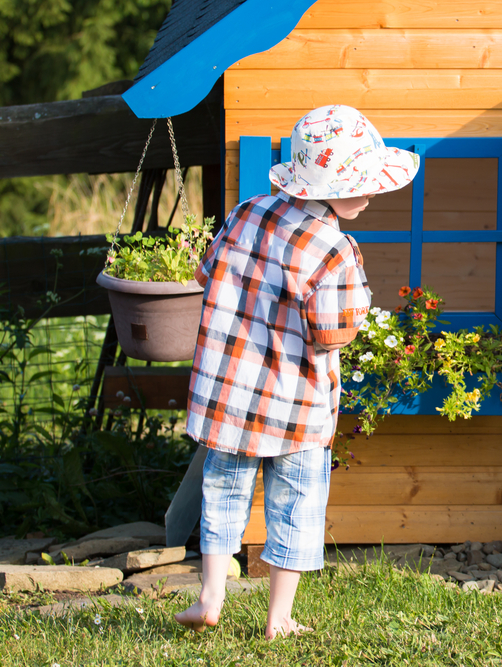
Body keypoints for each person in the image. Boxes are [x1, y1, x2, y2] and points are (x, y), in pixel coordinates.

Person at [174, 105, 419, 639]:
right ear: (330, 188)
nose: (372, 194)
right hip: (298, 403)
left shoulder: (245, 212)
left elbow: (206, 271)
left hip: (231, 393)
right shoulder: (335, 250)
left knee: (224, 489)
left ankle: (211, 596)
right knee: (297, 503)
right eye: (362, 184)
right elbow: (332, 333)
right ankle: (278, 617)